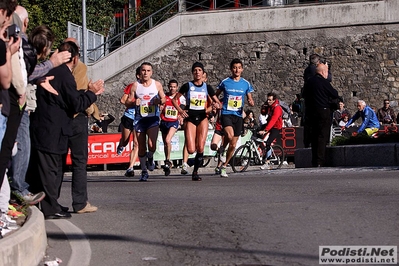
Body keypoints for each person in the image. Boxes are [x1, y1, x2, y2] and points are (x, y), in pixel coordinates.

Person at [28, 41, 104, 219]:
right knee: (51, 171)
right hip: (52, 129)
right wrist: (92, 93)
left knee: (53, 169)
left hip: (50, 128)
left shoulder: (51, 71)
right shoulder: (64, 75)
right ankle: (49, 208)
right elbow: (76, 104)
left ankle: (52, 204)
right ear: (75, 58)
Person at [62, 37, 103, 214]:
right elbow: (78, 94)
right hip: (76, 116)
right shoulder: (80, 67)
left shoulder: (53, 67)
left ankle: (50, 203)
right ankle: (79, 203)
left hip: (59, 117)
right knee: (79, 161)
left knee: (57, 161)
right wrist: (91, 101)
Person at [172, 62, 221, 181]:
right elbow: (174, 100)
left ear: (203, 73)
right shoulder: (187, 86)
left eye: (199, 70)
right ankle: (189, 164)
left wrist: (215, 105)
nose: (197, 72)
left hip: (203, 118)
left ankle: (195, 172)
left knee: (200, 147)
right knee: (191, 149)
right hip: (190, 118)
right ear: (192, 73)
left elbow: (218, 103)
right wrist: (180, 111)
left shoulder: (207, 87)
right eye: (195, 70)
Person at [126, 62, 166, 181]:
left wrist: (158, 101)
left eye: (148, 71)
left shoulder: (157, 85)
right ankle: (144, 171)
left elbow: (164, 99)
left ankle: (151, 156)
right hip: (140, 119)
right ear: (140, 72)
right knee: (141, 147)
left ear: (151, 72)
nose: (145, 73)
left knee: (152, 145)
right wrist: (134, 102)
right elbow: (127, 102)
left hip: (152, 118)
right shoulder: (135, 86)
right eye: (143, 70)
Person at [216, 58, 254, 178]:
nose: (236, 70)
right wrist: (215, 103)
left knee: (233, 144)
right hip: (227, 113)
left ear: (242, 69)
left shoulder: (246, 84)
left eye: (239, 67)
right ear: (231, 69)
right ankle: (222, 148)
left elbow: (249, 97)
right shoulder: (225, 82)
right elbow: (215, 95)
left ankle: (224, 165)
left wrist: (251, 101)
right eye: (234, 67)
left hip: (238, 116)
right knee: (229, 135)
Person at [302, 63, 339, 167]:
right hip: (323, 111)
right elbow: (334, 93)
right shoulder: (323, 82)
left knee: (314, 137)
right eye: (327, 72)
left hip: (311, 112)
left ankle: (314, 160)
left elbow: (304, 95)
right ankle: (320, 161)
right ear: (323, 72)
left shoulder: (309, 82)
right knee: (322, 137)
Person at [302, 54, 332, 148]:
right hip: (319, 105)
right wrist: (327, 69)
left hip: (310, 103)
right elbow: (327, 79)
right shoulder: (315, 73)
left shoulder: (307, 70)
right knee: (320, 129)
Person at [117, 67, 140, 177]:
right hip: (129, 116)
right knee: (126, 141)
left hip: (140, 118)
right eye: (140, 74)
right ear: (137, 76)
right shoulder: (132, 86)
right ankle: (121, 144)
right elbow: (123, 100)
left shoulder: (150, 87)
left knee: (136, 143)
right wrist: (134, 102)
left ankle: (130, 167)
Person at [160, 79, 183, 176]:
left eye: (174, 87)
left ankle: (168, 160)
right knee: (166, 142)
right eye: (171, 86)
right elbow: (160, 106)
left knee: (168, 140)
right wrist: (160, 107)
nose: (172, 88)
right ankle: (167, 160)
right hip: (164, 121)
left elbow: (184, 107)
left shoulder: (180, 97)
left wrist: (181, 116)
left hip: (174, 122)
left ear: (177, 87)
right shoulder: (164, 96)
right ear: (168, 87)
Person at [257, 92, 283, 170]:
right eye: (267, 100)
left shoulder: (277, 108)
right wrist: (263, 108)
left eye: (270, 100)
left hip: (276, 127)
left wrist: (265, 130)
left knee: (268, 142)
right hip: (269, 125)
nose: (268, 101)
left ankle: (267, 162)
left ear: (274, 100)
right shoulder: (269, 106)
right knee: (257, 133)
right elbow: (263, 113)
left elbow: (273, 120)